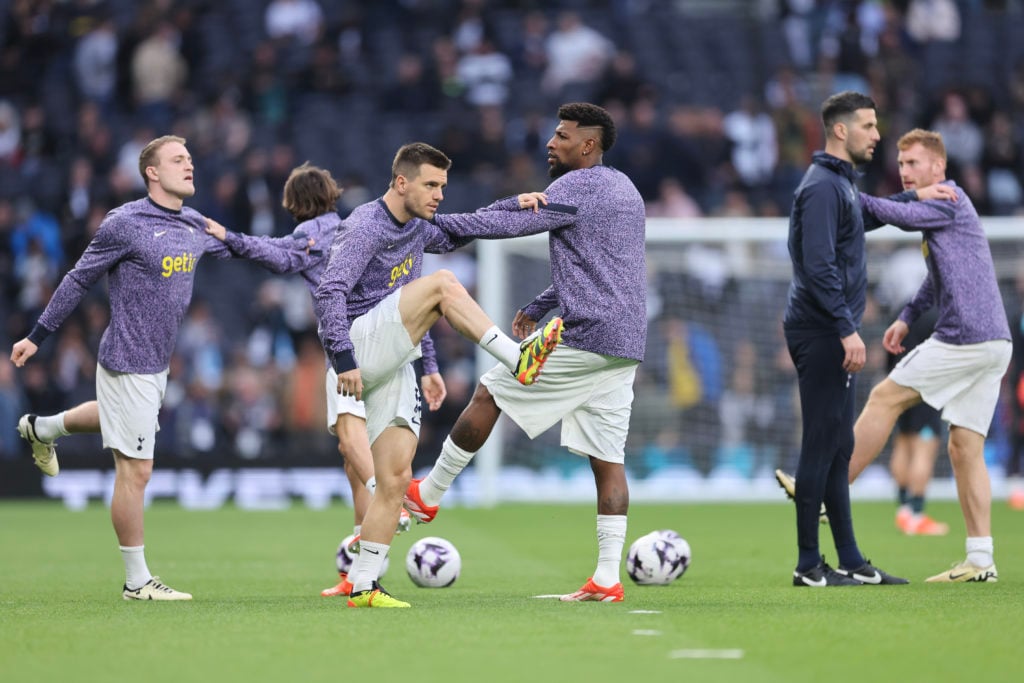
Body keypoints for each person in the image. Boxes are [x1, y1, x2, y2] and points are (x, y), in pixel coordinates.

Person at [10, 135, 312, 600]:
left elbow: (243, 246)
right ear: (152, 172)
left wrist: (301, 249)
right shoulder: (125, 223)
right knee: (137, 470)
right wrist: (38, 335)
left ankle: (42, 429)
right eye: (177, 159)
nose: (189, 165)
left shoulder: (193, 224)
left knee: (117, 420)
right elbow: (77, 279)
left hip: (156, 365)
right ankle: (136, 582)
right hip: (126, 358)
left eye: (190, 158)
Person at [403, 102, 647, 603]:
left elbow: (509, 227)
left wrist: (438, 228)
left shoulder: (574, 187)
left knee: (490, 394)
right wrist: (539, 304)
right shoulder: (627, 190)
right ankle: (606, 577)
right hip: (625, 342)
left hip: (583, 334)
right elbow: (601, 267)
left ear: (588, 145)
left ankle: (427, 496)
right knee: (608, 459)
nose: (550, 143)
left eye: (561, 136)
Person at [314, 142, 563, 608]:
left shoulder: (418, 228)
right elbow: (329, 292)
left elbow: (469, 226)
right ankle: (517, 359)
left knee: (396, 477)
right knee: (445, 283)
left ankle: (365, 586)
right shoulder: (366, 225)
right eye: (431, 185)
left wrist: (515, 204)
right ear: (401, 182)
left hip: (392, 356)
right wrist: (343, 357)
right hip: (357, 344)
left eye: (443, 186)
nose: (439, 195)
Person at [203, 163, 420, 598]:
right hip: (390, 341)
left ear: (294, 203)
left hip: (351, 347)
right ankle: (363, 571)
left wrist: (225, 236)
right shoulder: (355, 227)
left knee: (352, 445)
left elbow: (276, 255)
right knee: (353, 458)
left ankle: (387, 503)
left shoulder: (313, 234)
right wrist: (429, 365)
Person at [846, 128, 1010, 582]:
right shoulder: (942, 204)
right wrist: (906, 316)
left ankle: (830, 494)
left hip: (965, 336)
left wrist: (842, 189)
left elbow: (882, 212)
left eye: (914, 164)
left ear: (939, 167)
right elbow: (937, 279)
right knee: (964, 447)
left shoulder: (945, 199)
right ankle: (981, 559)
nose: (906, 172)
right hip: (994, 342)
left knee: (884, 397)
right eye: (901, 165)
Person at [780, 91, 907, 587]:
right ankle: (808, 564)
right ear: (840, 130)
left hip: (829, 328)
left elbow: (866, 218)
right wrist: (846, 327)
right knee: (820, 441)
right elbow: (816, 264)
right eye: (869, 126)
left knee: (839, 442)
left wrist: (917, 200)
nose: (878, 135)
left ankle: (851, 559)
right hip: (822, 331)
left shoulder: (841, 185)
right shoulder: (822, 188)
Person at [885, 308, 949, 536]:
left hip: (899, 383)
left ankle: (903, 511)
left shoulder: (902, 311)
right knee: (925, 450)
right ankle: (916, 515)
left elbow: (889, 350)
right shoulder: (937, 315)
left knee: (902, 444)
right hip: (925, 390)